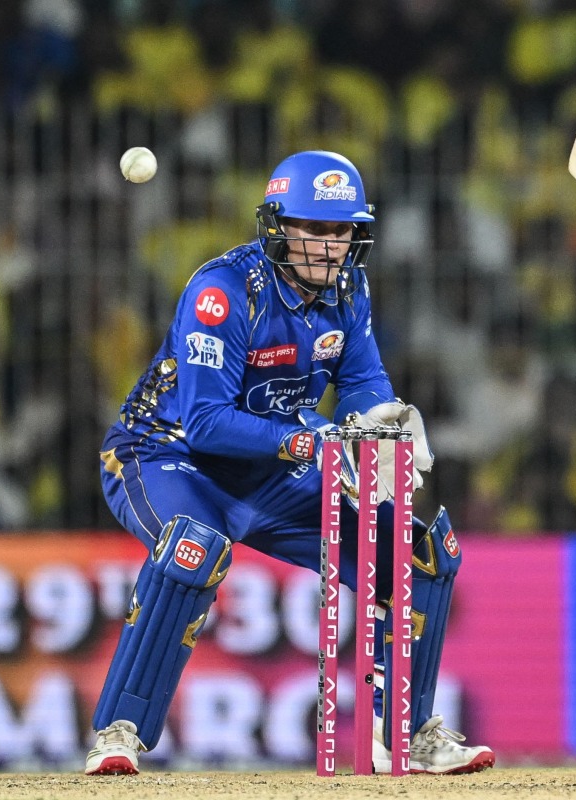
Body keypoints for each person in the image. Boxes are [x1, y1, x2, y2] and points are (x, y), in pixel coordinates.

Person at [85, 150, 494, 776]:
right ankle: (119, 732)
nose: (332, 248)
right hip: (165, 454)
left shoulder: (349, 290)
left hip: (271, 472)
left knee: (420, 552)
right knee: (194, 547)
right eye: (316, 230)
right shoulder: (221, 292)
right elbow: (206, 422)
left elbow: (363, 382)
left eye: (343, 232)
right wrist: (318, 442)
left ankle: (408, 734)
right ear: (278, 226)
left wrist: (379, 422)